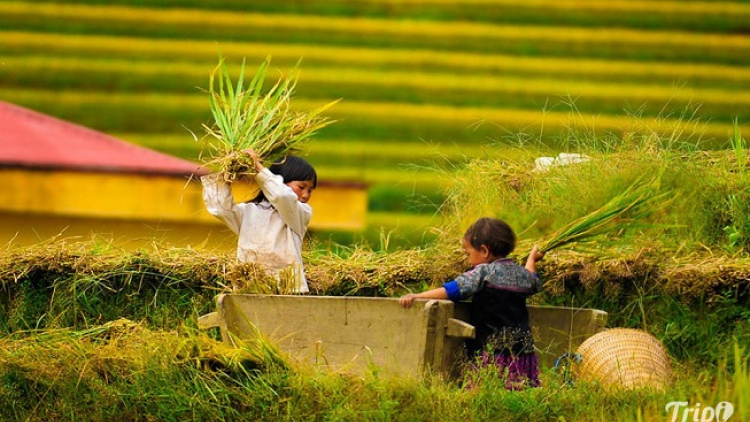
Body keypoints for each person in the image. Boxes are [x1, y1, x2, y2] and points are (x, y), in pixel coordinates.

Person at [399, 217, 544, 390]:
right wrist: (531, 260)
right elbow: (533, 280)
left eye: (469, 254)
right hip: (522, 351)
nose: (468, 260)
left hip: (492, 351)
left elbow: (452, 290)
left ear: (484, 250)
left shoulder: (483, 272)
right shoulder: (522, 275)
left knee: (485, 392)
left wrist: (418, 296)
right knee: (518, 391)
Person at [201, 149, 316, 293]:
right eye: (302, 187)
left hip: (286, 288)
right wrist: (226, 176)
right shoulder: (250, 211)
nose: (306, 195)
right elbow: (221, 209)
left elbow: (281, 196)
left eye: (310, 190)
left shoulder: (300, 213)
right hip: (249, 286)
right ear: (281, 180)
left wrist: (257, 167)